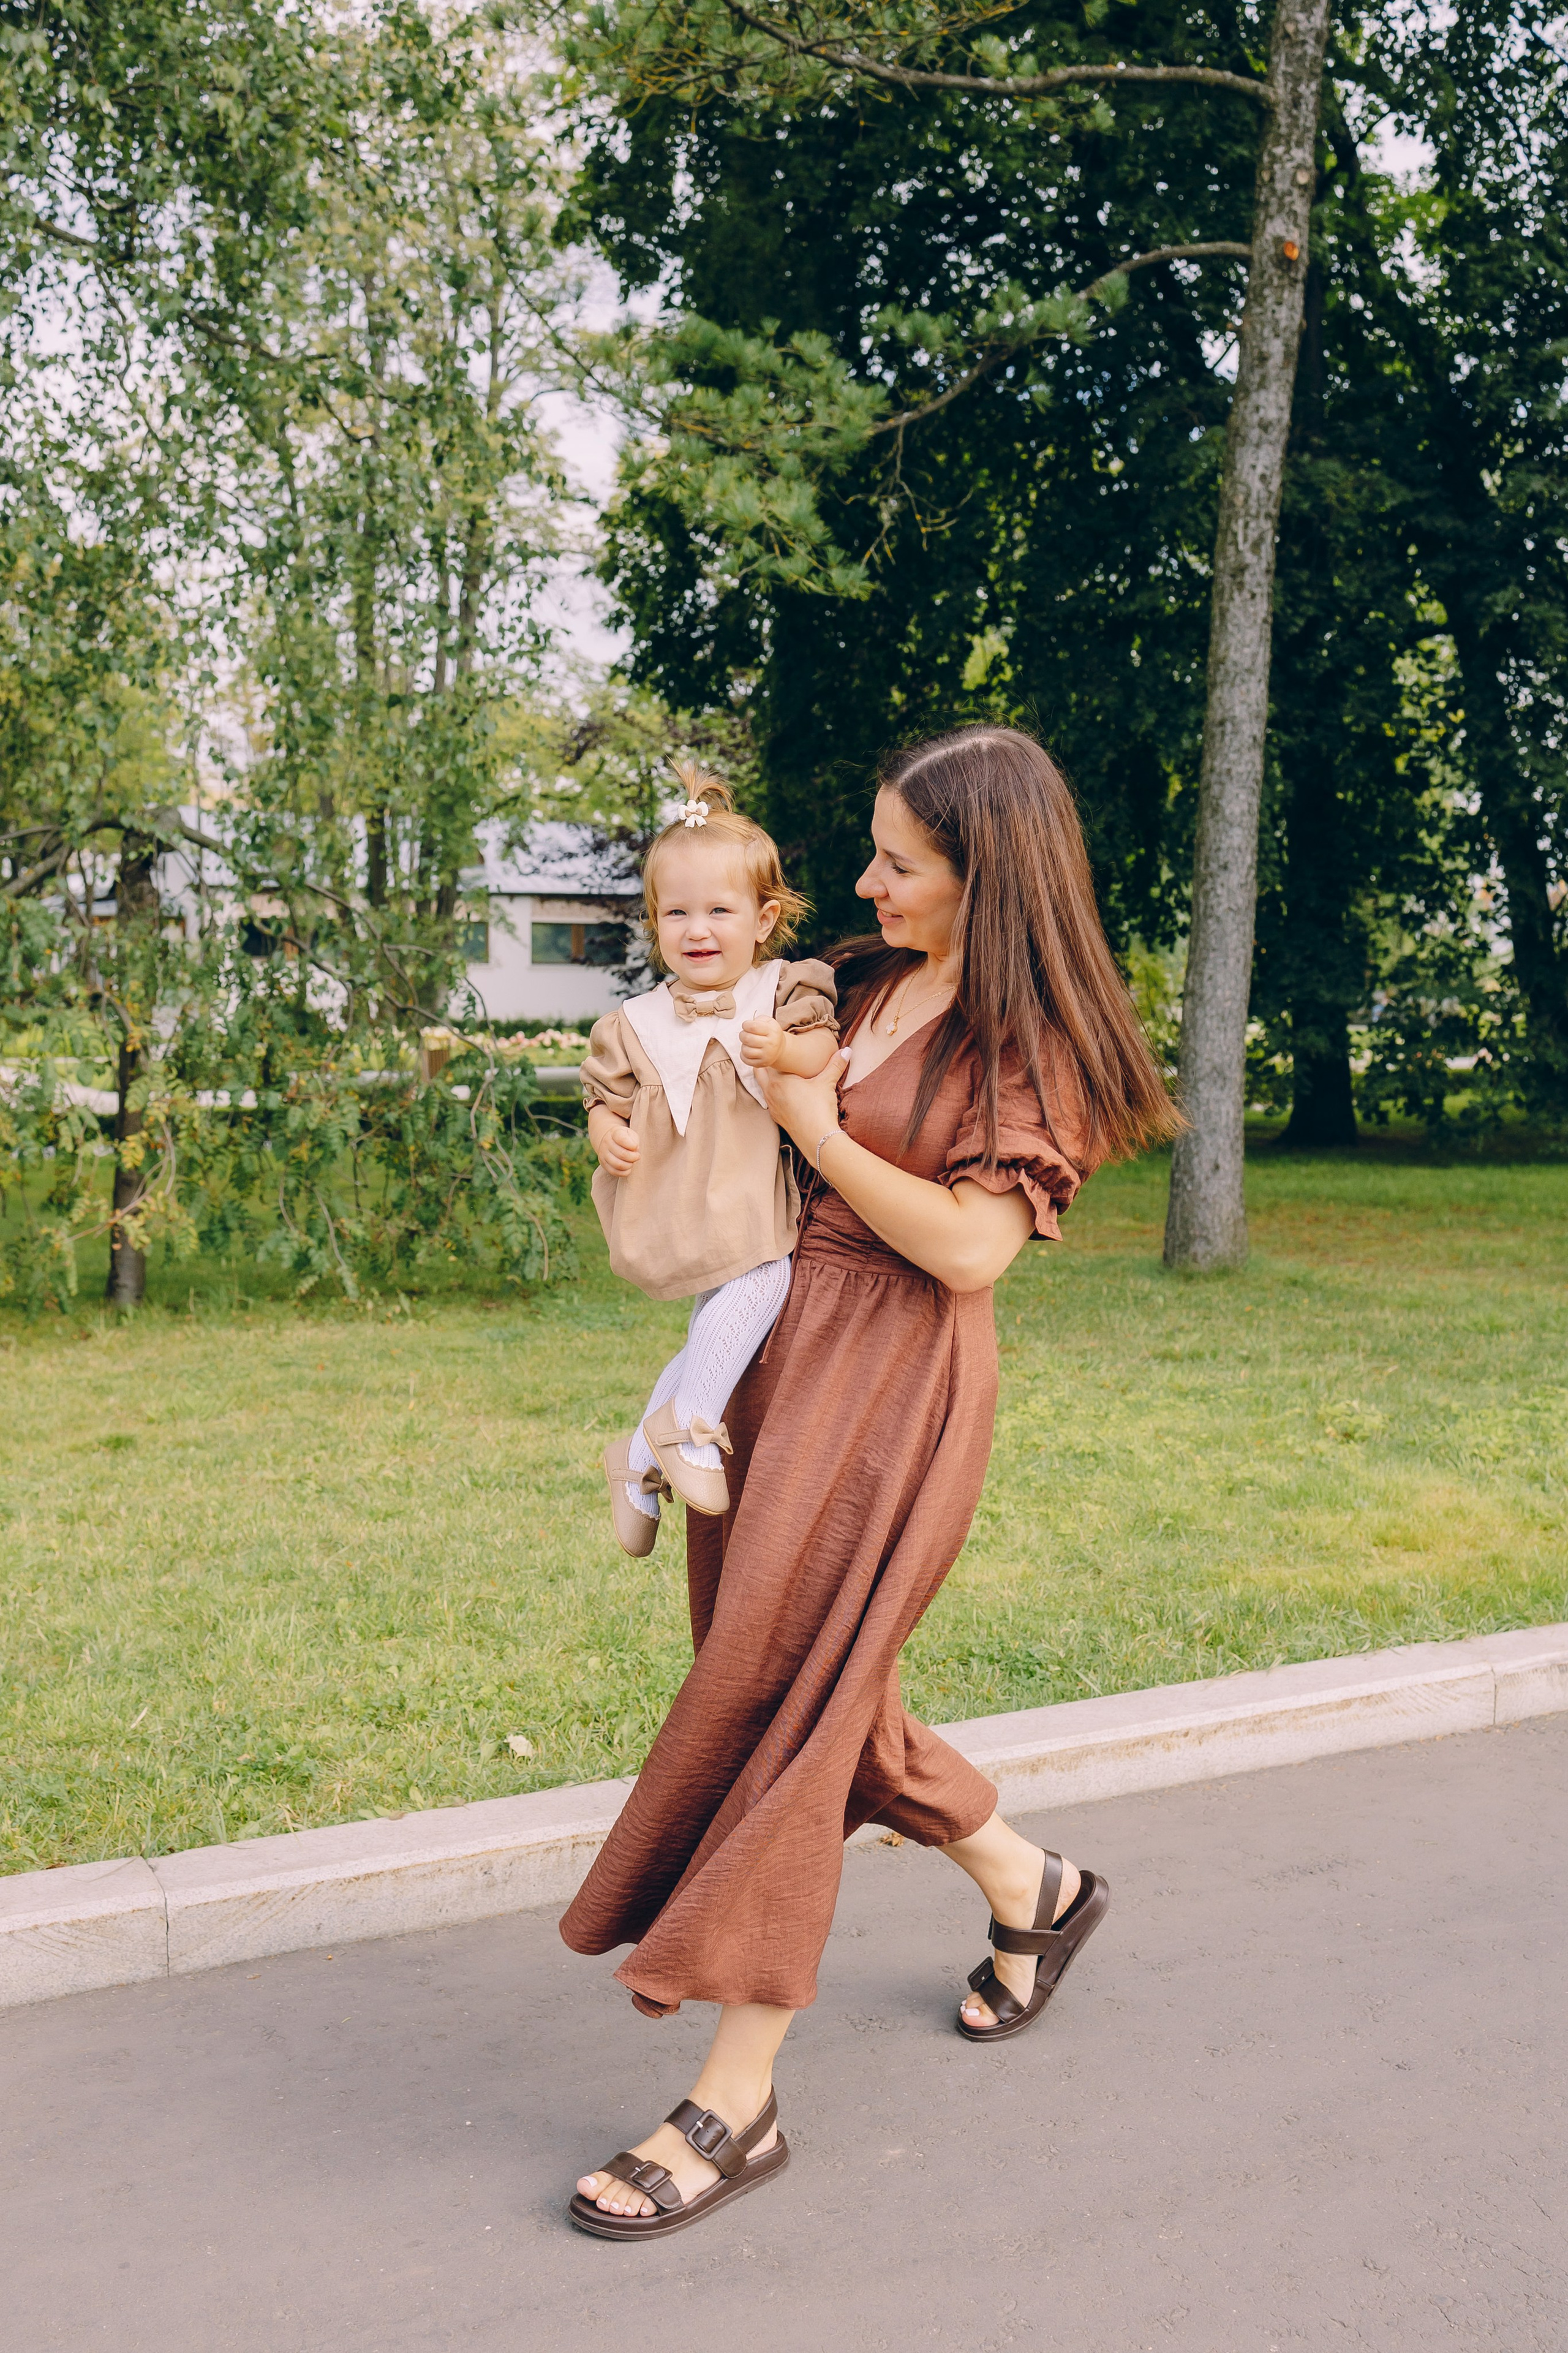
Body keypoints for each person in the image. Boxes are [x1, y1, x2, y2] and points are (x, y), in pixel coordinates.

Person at [562, 725, 1182, 2241]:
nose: (863, 879)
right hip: (782, 1350)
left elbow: (972, 1250)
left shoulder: (1039, 1048)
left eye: (897, 859)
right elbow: (703, 1066)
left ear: (989, 871)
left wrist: (812, 1117)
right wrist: (621, 1123)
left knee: (787, 1691)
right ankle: (1034, 1888)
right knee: (809, 1677)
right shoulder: (857, 976)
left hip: (895, 1380)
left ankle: (736, 2093)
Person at [581, 768, 841, 1552]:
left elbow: (826, 1043)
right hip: (682, 1194)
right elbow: (602, 1093)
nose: (697, 929)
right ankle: (686, 1432)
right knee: (760, 1282)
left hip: (746, 1191)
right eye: (676, 912)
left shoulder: (782, 990)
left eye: (719, 911)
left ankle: (641, 1454)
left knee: (754, 1285)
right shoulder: (636, 1022)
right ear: (656, 921)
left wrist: (790, 1050)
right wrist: (607, 1133)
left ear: (763, 919)